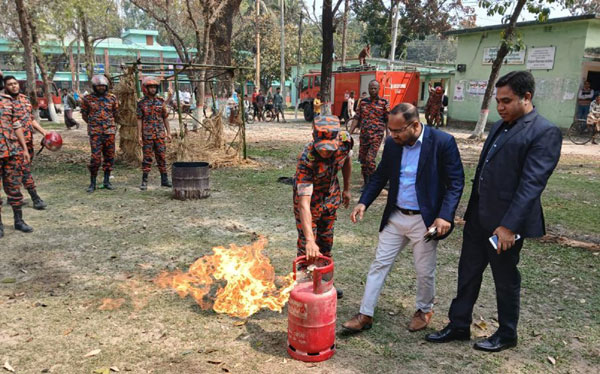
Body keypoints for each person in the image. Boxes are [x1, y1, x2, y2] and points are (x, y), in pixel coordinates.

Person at [426, 71, 562, 353]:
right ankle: (459, 324)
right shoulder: (501, 125)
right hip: (478, 218)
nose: (500, 107)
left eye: (506, 100)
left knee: (505, 279)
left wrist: (510, 226)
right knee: (468, 273)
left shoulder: (544, 132)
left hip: (505, 226)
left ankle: (507, 333)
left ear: (527, 98)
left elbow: (531, 184)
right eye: (497, 101)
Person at [341, 103, 464, 333]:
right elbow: (380, 176)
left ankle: (424, 309)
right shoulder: (393, 144)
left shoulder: (442, 142)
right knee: (379, 264)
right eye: (390, 130)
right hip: (396, 217)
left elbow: (456, 183)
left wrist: (445, 215)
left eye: (397, 131)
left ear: (415, 125)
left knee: (424, 270)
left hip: (424, 221)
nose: (392, 135)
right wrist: (363, 202)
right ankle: (365, 314)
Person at [293, 115, 353, 299]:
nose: (326, 153)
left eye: (330, 149)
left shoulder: (345, 142)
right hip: (310, 201)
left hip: (331, 197)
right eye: (322, 149)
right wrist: (310, 239)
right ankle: (305, 289)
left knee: (326, 244)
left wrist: (347, 188)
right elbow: (304, 204)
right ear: (313, 136)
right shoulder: (307, 159)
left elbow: (346, 161)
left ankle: (324, 284)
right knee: (307, 247)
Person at [3, 76, 49, 210]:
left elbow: (31, 119)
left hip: (28, 141)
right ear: (5, 87)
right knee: (24, 170)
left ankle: (13, 195)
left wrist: (44, 132)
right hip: (13, 143)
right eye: (10, 84)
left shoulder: (25, 100)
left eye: (15, 83)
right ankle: (35, 198)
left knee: (19, 171)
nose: (13, 86)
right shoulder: (5, 102)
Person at [0, 80, 33, 238]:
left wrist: (24, 148)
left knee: (14, 186)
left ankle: (19, 221)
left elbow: (16, 125)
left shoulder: (8, 101)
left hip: (12, 151)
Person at [349, 80, 390, 190]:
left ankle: (373, 183)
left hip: (377, 135)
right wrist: (349, 133)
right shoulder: (363, 102)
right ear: (368, 89)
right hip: (364, 135)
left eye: (375, 88)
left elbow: (388, 120)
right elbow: (356, 118)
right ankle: (366, 183)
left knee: (370, 159)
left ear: (378, 89)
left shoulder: (384, 102)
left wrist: (388, 134)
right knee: (363, 160)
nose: (373, 90)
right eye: (371, 88)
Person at [81, 74, 119, 193]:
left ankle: (107, 181)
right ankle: (92, 183)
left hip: (109, 132)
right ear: (94, 87)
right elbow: (84, 115)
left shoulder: (112, 98)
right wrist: (94, 124)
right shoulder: (87, 99)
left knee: (109, 157)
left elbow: (115, 113)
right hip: (95, 133)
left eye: (103, 86)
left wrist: (109, 125)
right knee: (95, 158)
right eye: (98, 86)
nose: (101, 88)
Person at [137, 77, 173, 191]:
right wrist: (139, 136)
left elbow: (165, 118)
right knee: (147, 158)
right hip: (147, 135)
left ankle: (164, 180)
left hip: (160, 135)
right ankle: (144, 181)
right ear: (145, 89)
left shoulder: (161, 102)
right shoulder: (141, 103)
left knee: (161, 157)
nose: (153, 89)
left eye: (154, 87)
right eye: (150, 87)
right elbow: (139, 120)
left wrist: (169, 132)